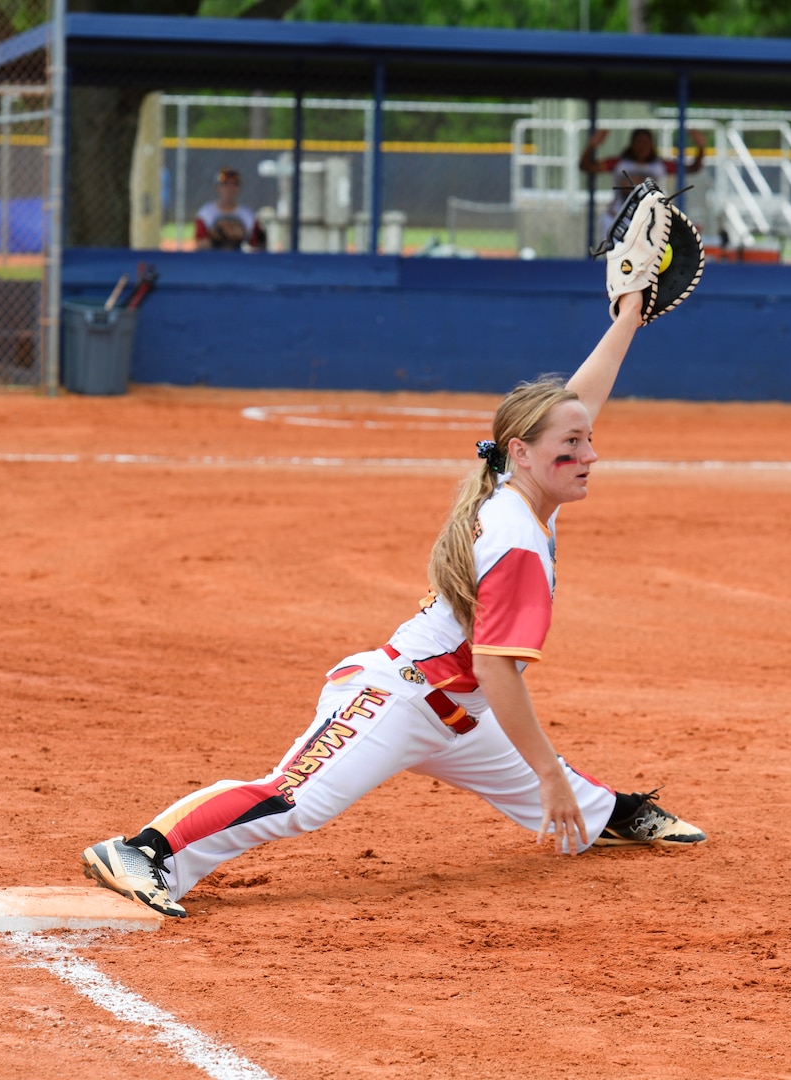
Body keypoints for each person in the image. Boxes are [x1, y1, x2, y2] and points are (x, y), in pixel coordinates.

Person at [81, 289, 706, 920]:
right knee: (296, 799)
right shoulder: (517, 534)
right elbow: (495, 669)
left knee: (577, 808)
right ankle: (142, 850)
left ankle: (611, 812)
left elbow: (571, 406)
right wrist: (547, 774)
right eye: (572, 446)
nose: (589, 455)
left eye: (588, 440)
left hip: (456, 716)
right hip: (399, 698)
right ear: (523, 451)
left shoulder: (518, 486)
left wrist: (629, 314)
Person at [580, 127, 705, 237]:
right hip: (619, 221)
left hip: (651, 222)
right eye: (639, 142)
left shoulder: (661, 165)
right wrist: (592, 145)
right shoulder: (619, 163)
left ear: (652, 145)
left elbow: (693, 168)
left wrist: (700, 147)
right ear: (632, 144)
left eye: (646, 142)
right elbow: (586, 166)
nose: (642, 146)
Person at [194, 167, 267, 251]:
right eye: (225, 184)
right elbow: (201, 244)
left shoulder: (248, 214)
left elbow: (257, 245)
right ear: (217, 188)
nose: (229, 188)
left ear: (238, 188)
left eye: (234, 184)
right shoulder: (206, 213)